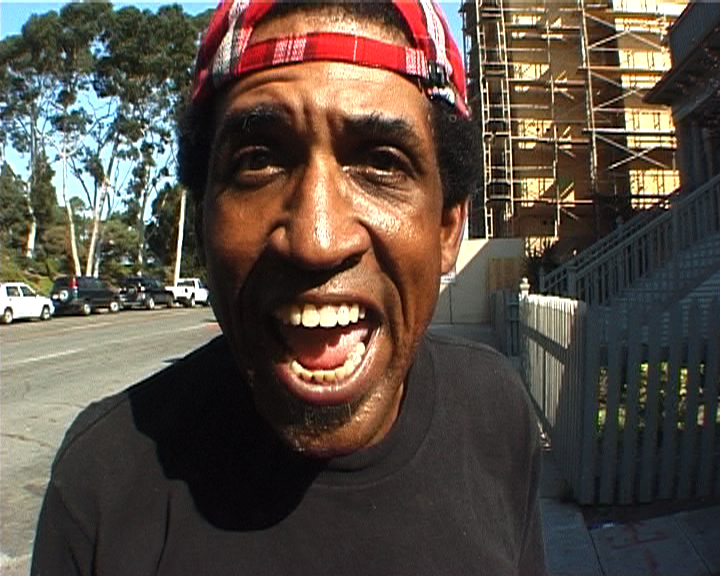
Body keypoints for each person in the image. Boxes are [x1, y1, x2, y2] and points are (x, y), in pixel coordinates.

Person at [31, 1, 546, 574]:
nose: (316, 239)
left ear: (448, 226)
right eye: (258, 161)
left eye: (381, 162)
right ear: (202, 222)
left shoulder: (496, 415)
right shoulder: (102, 487)